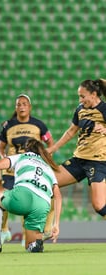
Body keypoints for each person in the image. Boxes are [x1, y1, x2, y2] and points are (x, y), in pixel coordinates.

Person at [0, 94, 55, 245]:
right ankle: (4, 230)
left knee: (27, 200)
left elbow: (50, 143)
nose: (21, 106)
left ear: (30, 107)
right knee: (2, 197)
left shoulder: (39, 125)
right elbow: (1, 146)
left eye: (24, 104)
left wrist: (45, 158)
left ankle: (26, 235)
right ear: (15, 108)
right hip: (11, 170)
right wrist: (4, 158)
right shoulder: (8, 125)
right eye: (18, 104)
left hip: (29, 170)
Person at [0, 138, 62, 253]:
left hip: (23, 195)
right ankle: (36, 244)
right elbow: (58, 196)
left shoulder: (22, 156)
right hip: (43, 204)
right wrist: (56, 224)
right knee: (30, 246)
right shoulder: (48, 168)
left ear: (26, 149)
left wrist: (0, 187)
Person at [48, 79, 106, 219]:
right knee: (47, 183)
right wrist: (53, 148)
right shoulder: (80, 109)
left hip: (97, 162)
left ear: (93, 94)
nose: (80, 99)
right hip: (79, 160)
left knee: (99, 206)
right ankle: (46, 229)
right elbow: (71, 131)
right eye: (79, 96)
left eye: (82, 96)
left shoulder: (104, 109)